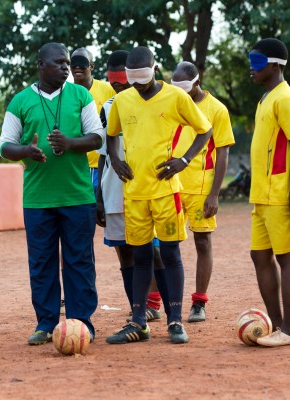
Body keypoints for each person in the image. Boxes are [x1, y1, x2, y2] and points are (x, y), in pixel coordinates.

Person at [105, 46, 212, 345]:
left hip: (166, 192)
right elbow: (111, 134)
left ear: (154, 69)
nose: (138, 83)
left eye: (143, 76)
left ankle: (175, 321)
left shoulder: (176, 97)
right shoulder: (123, 101)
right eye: (132, 77)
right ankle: (138, 323)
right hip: (135, 193)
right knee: (140, 257)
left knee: (169, 254)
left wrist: (185, 160)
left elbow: (204, 129)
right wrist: (115, 159)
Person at [0, 42, 104, 345]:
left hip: (78, 195)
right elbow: (5, 145)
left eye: (67, 63)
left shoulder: (80, 95)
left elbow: (96, 137)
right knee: (42, 262)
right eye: (58, 63)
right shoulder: (20, 101)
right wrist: (26, 151)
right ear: (40, 63)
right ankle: (45, 324)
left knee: (79, 262)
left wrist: (70, 143)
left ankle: (80, 322)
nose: (65, 68)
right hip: (38, 199)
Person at [96, 50, 166, 322]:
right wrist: (99, 196)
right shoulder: (110, 106)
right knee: (124, 250)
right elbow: (104, 153)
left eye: (121, 78)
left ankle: (156, 303)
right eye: (112, 79)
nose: (117, 84)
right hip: (115, 190)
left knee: (153, 249)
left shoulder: (158, 101)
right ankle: (137, 307)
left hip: (150, 188)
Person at [171, 62, 235, 322]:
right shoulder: (172, 102)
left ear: (197, 82)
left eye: (185, 87)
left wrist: (214, 194)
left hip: (200, 186)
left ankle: (199, 302)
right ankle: (156, 301)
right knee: (165, 244)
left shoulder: (217, 109)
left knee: (202, 242)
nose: (181, 92)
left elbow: (223, 152)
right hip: (172, 183)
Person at [247, 38, 290, 347]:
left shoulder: (285, 97)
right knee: (259, 255)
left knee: (287, 259)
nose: (252, 67)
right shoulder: (266, 98)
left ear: (275, 65)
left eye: (257, 62)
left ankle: (289, 330)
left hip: (280, 193)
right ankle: (278, 326)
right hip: (261, 194)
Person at [70, 47, 116, 194]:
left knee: (104, 211)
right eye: (73, 62)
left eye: (82, 62)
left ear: (91, 66)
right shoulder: (64, 93)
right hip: (77, 167)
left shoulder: (108, 89)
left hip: (104, 164)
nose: (77, 66)